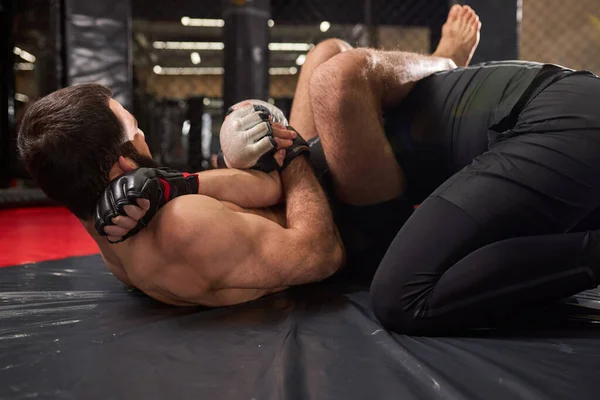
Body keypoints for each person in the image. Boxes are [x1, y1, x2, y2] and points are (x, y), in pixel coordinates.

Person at [97, 3, 600, 336]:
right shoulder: (324, 159)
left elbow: (335, 74)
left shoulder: (331, 162)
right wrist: (178, 183)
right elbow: (327, 54)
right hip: (545, 124)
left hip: (552, 121)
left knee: (403, 296)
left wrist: (444, 60)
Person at [17, 5, 482, 308]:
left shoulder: (118, 215)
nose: (140, 127)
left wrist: (238, 165)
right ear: (121, 163)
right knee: (341, 75)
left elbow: (250, 195)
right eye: (132, 128)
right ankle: (445, 62)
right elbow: (322, 254)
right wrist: (291, 149)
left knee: (326, 51)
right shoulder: (182, 225)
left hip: (294, 205)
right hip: (349, 232)